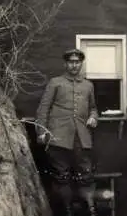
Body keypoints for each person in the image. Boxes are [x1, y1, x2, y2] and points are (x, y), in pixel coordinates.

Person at [35, 49, 98, 216]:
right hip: (58, 137)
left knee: (86, 174)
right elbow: (44, 108)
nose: (74, 65)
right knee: (61, 176)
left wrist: (93, 117)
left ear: (81, 64)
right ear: (65, 64)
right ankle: (66, 211)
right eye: (71, 62)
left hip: (81, 137)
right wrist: (41, 130)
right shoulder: (55, 83)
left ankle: (90, 209)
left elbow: (93, 108)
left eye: (77, 62)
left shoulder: (88, 85)